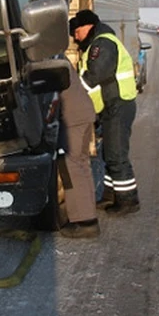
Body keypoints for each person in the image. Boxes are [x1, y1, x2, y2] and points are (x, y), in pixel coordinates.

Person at [68, 9, 140, 215]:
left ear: (87, 26)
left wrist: (71, 93)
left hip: (119, 105)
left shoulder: (102, 43)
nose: (75, 36)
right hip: (111, 106)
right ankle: (111, 195)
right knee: (109, 153)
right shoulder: (95, 44)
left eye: (76, 31)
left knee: (117, 154)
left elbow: (94, 76)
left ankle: (128, 201)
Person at [57, 59, 100, 238]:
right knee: (81, 164)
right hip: (82, 113)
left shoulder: (48, 59)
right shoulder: (56, 55)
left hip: (74, 118)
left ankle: (85, 222)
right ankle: (88, 214)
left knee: (71, 165)